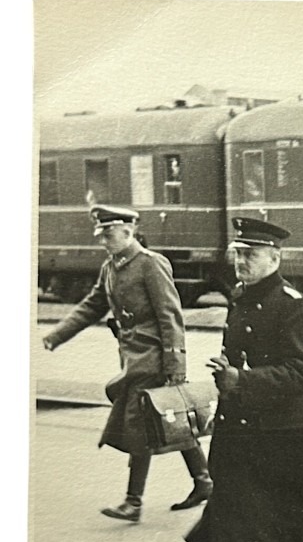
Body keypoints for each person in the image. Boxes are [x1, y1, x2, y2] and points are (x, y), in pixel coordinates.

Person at [184, 217, 303, 542]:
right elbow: (236, 361)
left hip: (287, 435)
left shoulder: (294, 305)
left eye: (250, 255)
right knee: (225, 518)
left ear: (274, 258)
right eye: (238, 254)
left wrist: (241, 381)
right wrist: (224, 394)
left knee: (298, 527)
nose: (241, 261)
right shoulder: (240, 298)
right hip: (242, 430)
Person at [42, 205, 212, 523]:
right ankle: (204, 482)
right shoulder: (110, 267)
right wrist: (55, 336)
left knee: (139, 423)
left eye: (108, 234)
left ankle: (133, 502)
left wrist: (176, 366)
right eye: (101, 235)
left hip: (153, 359)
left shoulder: (150, 263)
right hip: (132, 358)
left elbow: (170, 316)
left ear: (127, 232)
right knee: (165, 418)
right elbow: (91, 307)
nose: (102, 241)